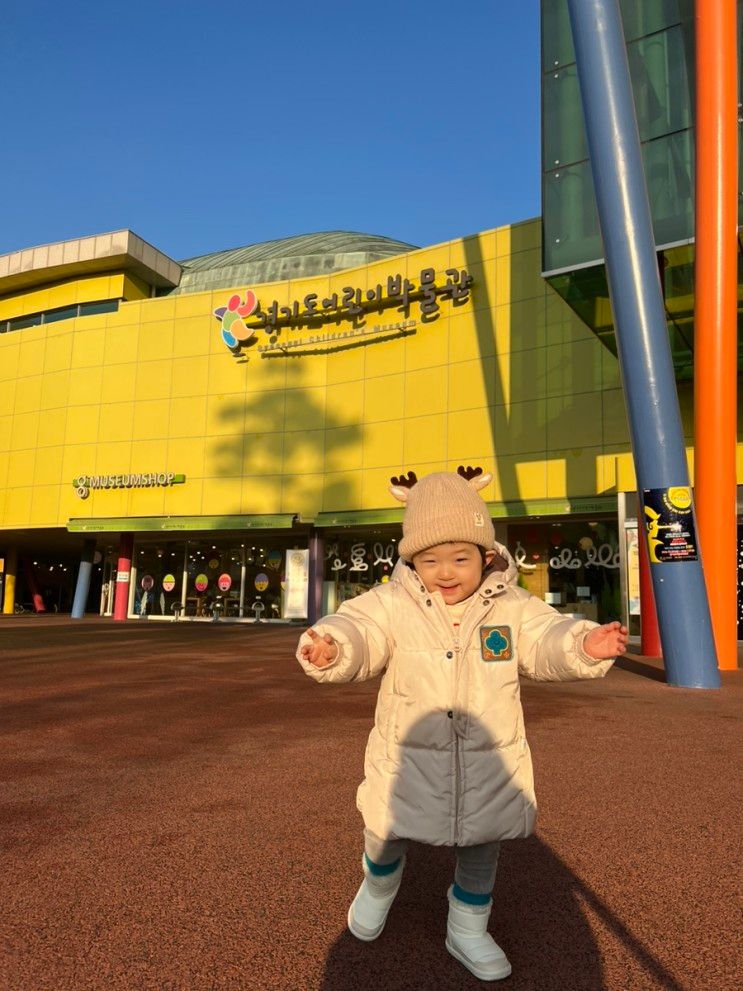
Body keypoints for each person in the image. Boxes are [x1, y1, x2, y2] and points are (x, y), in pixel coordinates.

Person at [297, 468, 627, 982]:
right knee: (383, 834)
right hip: (407, 758)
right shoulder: (391, 603)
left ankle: (467, 927)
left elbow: (546, 639)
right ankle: (379, 885)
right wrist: (333, 647)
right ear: (411, 560)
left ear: (486, 555)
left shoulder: (511, 605)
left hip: (487, 760)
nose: (446, 572)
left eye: (460, 558)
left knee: (482, 848)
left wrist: (582, 644)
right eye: (429, 561)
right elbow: (359, 628)